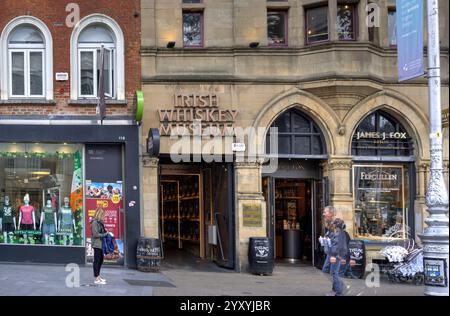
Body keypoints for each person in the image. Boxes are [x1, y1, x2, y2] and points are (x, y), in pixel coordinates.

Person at [327, 218, 349, 296]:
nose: (333, 225)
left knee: (334, 273)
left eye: (334, 224)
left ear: (337, 225)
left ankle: (338, 291)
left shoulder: (339, 233)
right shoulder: (340, 233)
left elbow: (337, 246)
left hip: (336, 256)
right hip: (338, 256)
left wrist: (334, 256)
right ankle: (335, 290)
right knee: (334, 273)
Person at [91, 207, 108, 285]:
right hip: (97, 244)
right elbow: (95, 234)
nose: (103, 217)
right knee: (97, 261)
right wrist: (105, 234)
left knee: (101, 260)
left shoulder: (100, 223)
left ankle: (98, 276)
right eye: (103, 215)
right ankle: (96, 278)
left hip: (101, 244)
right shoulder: (94, 222)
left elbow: (102, 231)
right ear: (99, 214)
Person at [321, 206, 335, 274]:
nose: (323, 214)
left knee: (328, 271)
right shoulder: (329, 223)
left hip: (334, 254)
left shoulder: (335, 224)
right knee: (326, 271)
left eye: (325, 212)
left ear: (331, 213)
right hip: (330, 253)